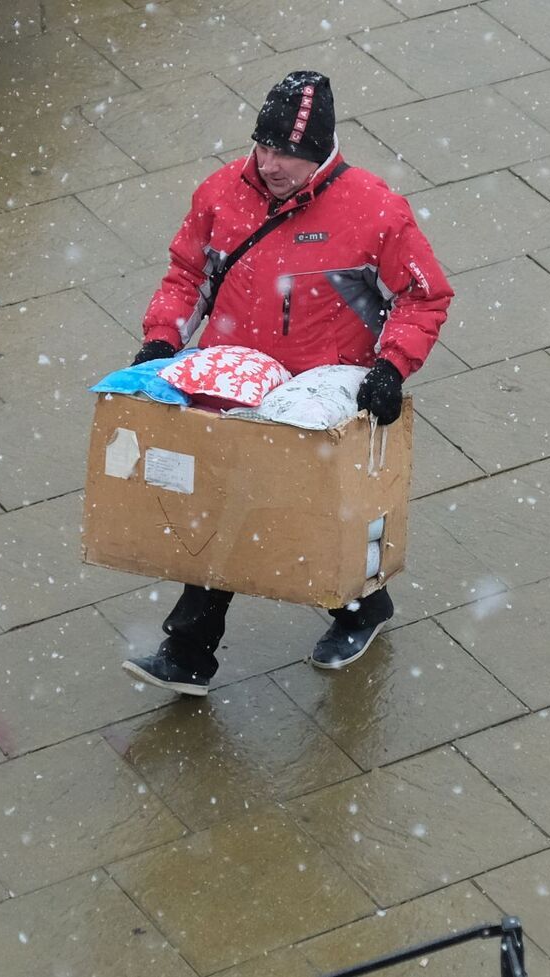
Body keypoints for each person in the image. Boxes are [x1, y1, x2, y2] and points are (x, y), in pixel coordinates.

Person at [122, 71, 452, 696]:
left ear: (321, 154)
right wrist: (165, 338)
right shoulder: (221, 195)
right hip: (233, 385)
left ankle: (360, 608)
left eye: (290, 156)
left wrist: (390, 367)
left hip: (321, 393)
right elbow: (187, 276)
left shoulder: (375, 211)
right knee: (216, 503)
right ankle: (189, 650)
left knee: (315, 512)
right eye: (265, 146)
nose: (271, 164)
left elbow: (423, 295)